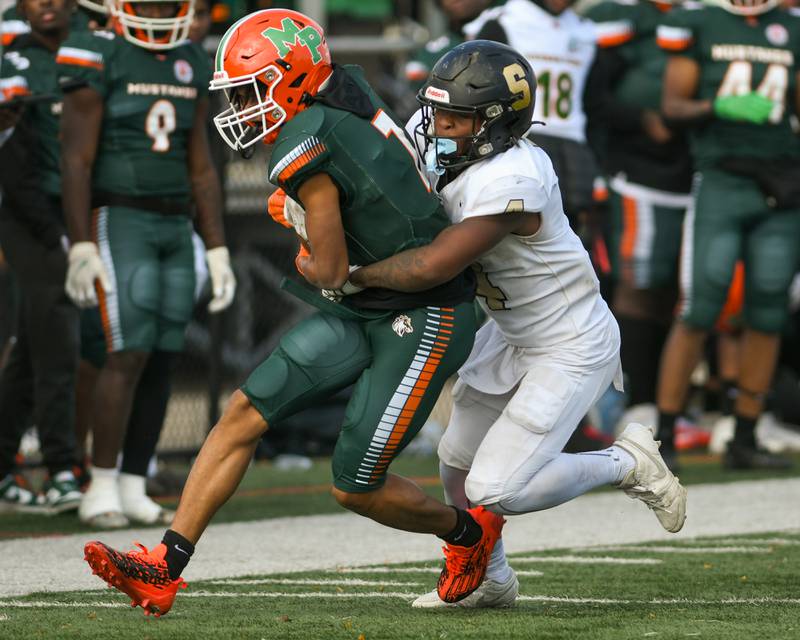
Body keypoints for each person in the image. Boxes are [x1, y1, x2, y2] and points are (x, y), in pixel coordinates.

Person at [82, 8, 503, 617]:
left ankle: (470, 535)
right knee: (243, 412)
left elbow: (326, 272)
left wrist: (296, 226)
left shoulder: (307, 138)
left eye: (250, 90)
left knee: (354, 485)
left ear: (291, 79)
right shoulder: (341, 96)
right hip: (366, 304)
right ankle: (164, 567)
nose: (241, 107)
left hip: (425, 317)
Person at [349, 39, 688, 608]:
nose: (439, 126)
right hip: (510, 332)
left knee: (496, 488)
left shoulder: (517, 177)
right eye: (439, 111)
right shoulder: (448, 140)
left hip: (569, 341)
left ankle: (626, 462)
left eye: (457, 118)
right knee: (455, 462)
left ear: (494, 124)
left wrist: (352, 273)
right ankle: (491, 579)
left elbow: (435, 263)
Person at [57, 0, 236, 528]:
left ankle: (134, 482)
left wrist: (217, 244)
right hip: (122, 217)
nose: (159, 10)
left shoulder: (190, 59)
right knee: (126, 352)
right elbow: (75, 159)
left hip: (174, 223)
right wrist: (79, 240)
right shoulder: (96, 52)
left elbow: (200, 164)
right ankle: (101, 481)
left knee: (163, 352)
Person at [654, 0, 800, 470]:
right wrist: (716, 104)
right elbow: (672, 108)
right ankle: (665, 435)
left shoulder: (790, 27)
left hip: (780, 184)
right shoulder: (696, 21)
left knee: (769, 305)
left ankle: (745, 435)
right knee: (702, 302)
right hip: (722, 178)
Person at [585, 0, 693, 462]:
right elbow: (592, 98)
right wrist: (643, 120)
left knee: (679, 289)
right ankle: (637, 405)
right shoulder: (620, 15)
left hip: (694, 169)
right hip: (636, 170)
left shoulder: (703, 15)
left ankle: (666, 406)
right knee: (639, 283)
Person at [0, 0, 83, 514]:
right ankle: (60, 468)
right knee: (58, 336)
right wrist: (56, 232)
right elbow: (12, 160)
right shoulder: (12, 60)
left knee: (33, 346)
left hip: (75, 212)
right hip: (29, 213)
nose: (46, 2)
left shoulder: (92, 52)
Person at [463, 0, 605, 232]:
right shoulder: (504, 21)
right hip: (522, 138)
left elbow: (595, 101)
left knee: (571, 231)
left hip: (574, 143)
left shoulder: (587, 31)